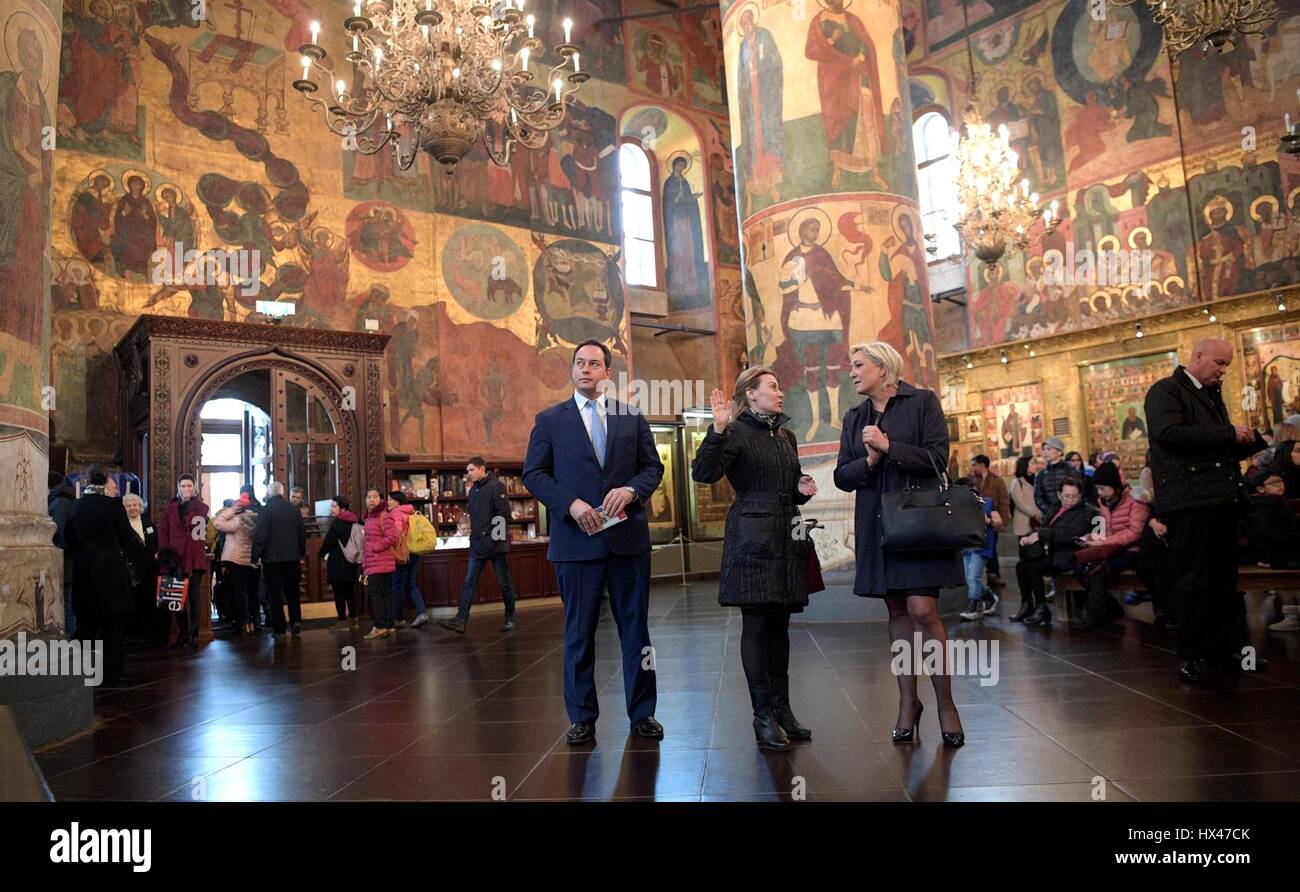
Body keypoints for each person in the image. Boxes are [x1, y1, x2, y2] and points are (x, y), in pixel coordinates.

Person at [523, 340, 666, 746]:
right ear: (573, 370)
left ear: (607, 373)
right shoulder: (550, 420)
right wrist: (570, 503)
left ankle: (643, 713)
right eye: (580, 363)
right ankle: (582, 716)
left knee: (636, 631)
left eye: (595, 364)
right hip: (577, 543)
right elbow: (534, 474)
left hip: (627, 542)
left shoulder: (631, 417)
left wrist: (632, 491)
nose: (586, 369)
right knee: (579, 633)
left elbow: (652, 468)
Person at [833, 341, 966, 748]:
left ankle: (946, 704)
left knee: (923, 610)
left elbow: (937, 459)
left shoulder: (922, 402)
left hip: (918, 522)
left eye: (858, 365)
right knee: (896, 611)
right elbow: (842, 476)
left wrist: (890, 448)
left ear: (882, 367)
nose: (852, 372)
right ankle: (908, 702)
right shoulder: (854, 417)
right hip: (877, 524)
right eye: (851, 366)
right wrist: (870, 462)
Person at [692, 367, 818, 751]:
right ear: (750, 394)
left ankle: (783, 710)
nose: (780, 393)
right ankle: (762, 716)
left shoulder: (785, 435)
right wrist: (716, 429)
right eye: (773, 387)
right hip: (752, 536)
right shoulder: (735, 433)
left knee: (781, 626)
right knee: (757, 624)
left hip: (786, 533)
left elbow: (789, 484)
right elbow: (703, 472)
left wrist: (800, 489)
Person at [1144, 337, 1266, 683]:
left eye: (1226, 364)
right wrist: (1228, 433)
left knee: (1225, 582)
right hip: (1190, 502)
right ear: (1197, 357)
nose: (1223, 370)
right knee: (1194, 580)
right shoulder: (1166, 390)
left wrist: (1248, 442)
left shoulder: (1212, 394)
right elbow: (1170, 434)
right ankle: (1190, 655)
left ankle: (1229, 653)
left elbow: (1211, 446)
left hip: (1221, 500)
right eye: (1219, 363)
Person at [64, 470, 135, 684]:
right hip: (111, 574)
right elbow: (127, 536)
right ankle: (113, 673)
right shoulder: (113, 506)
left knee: (85, 625)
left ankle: (78, 671)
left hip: (85, 574)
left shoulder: (76, 506)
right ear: (105, 483)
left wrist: (83, 556)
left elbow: (68, 538)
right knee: (114, 625)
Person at [439, 457, 518, 635]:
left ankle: (510, 618)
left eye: (472, 470)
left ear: (482, 469)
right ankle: (460, 620)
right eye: (468, 471)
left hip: (495, 546)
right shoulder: (474, 490)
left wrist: (492, 540)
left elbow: (503, 516)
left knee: (504, 583)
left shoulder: (497, 486)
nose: (469, 474)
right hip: (477, 545)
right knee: (469, 582)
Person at [1073, 462, 1150, 629]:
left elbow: (1134, 532)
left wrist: (1103, 541)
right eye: (1098, 489)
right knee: (1080, 567)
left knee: (1098, 569)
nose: (1100, 493)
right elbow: (1106, 530)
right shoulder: (1104, 503)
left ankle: (1097, 615)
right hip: (1112, 548)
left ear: (1114, 486)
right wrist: (1089, 537)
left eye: (1103, 488)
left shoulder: (1135, 500)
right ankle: (1112, 608)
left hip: (1133, 551)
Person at [1013, 477, 1096, 626]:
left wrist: (1041, 534)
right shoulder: (1055, 507)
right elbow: (1046, 528)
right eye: (1067, 496)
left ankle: (1041, 608)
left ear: (1081, 495)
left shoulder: (1086, 512)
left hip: (1069, 557)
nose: (1070, 500)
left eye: (1075, 496)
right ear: (1059, 494)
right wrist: (1031, 537)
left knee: (1032, 567)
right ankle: (1027, 604)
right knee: (1021, 565)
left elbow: (1070, 534)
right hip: (1052, 553)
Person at [156, 473, 210, 649]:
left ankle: (193, 635)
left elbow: (198, 533)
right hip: (175, 557)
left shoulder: (201, 508)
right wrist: (166, 554)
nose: (186, 489)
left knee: (194, 597)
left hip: (194, 556)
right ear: (178, 488)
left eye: (189, 486)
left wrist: (189, 507)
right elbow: (163, 531)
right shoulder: (170, 508)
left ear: (194, 488)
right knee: (176, 597)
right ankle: (183, 633)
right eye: (183, 486)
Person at [1246, 472, 1300, 632]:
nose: (1279, 484)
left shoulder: (1276, 501)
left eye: (1280, 481)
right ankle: (1292, 615)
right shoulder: (1265, 505)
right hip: (1272, 554)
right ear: (1261, 488)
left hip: (1280, 551)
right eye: (1273, 482)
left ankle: (1293, 615)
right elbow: (1266, 534)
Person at [253, 481, 307, 638]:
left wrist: (254, 556)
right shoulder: (294, 510)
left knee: (275, 595)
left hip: (271, 560)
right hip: (292, 558)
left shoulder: (265, 510)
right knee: (293, 592)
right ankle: (296, 621)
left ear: (269, 494)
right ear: (283, 493)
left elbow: (260, 536)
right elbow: (302, 534)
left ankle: (279, 629)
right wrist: (301, 554)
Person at [213, 486, 260, 636]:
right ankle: (254, 621)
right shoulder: (258, 519)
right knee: (253, 593)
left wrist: (232, 510)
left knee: (238, 594)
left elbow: (217, 523)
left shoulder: (237, 520)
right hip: (253, 561)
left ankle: (242, 623)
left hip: (236, 560)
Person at [385, 490, 430, 629]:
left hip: (403, 553)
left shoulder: (396, 513)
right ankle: (422, 612)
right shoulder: (410, 512)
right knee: (410, 584)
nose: (387, 502)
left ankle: (398, 618)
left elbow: (398, 534)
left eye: (390, 499)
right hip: (414, 552)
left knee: (397, 586)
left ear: (397, 501)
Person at [318, 495, 362, 631]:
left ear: (342, 508)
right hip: (352, 561)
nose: (331, 509)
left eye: (334, 506)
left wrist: (321, 553)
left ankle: (342, 621)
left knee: (339, 593)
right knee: (350, 592)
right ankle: (354, 620)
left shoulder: (338, 522)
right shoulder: (356, 520)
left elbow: (329, 542)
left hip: (338, 562)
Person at [361, 487, 400, 639]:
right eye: (369, 497)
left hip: (380, 561)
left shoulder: (384, 516)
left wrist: (375, 548)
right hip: (374, 561)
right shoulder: (370, 517)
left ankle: (379, 626)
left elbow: (392, 537)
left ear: (381, 500)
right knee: (385, 594)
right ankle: (389, 625)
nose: (371, 499)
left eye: (375, 497)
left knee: (376, 594)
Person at [121, 493, 159, 646]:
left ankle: (147, 633)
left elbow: (155, 542)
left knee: (147, 601)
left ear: (140, 506)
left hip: (148, 569)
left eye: (135, 505)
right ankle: (132, 634)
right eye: (129, 506)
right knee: (132, 603)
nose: (132, 508)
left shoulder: (148, 522)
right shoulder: (122, 524)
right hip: (130, 571)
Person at [969, 453, 1009, 599]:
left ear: (981, 464)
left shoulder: (997, 481)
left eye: (974, 464)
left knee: (991, 547)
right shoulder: (972, 480)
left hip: (992, 518)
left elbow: (1004, 501)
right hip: (976, 519)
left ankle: (993, 574)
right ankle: (981, 576)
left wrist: (1004, 521)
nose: (972, 467)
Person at [957, 481, 998, 622]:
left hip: (981, 546)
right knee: (970, 578)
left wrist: (988, 520)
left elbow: (998, 522)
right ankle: (989, 596)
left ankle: (972, 607)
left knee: (973, 578)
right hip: (966, 547)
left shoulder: (986, 502)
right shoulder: (959, 507)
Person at [48, 471, 77, 637]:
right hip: (67, 559)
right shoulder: (64, 499)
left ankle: (71, 639)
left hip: (65, 561)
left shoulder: (59, 502)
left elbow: (62, 533)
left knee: (66, 603)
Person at [1033, 437, 1071, 519]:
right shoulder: (1041, 474)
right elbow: (1038, 497)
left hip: (1071, 515)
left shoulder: (1070, 471)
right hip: (1049, 517)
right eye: (1044, 450)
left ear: (1060, 452)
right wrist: (1050, 511)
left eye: (1049, 449)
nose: (1045, 452)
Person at [1009, 454, 1043, 539]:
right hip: (1024, 522)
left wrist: (1040, 511)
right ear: (1025, 465)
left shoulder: (1037, 479)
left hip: (1038, 521)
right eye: (1032, 463)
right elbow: (1019, 503)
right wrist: (1034, 514)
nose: (1036, 465)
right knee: (1025, 548)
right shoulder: (1017, 482)